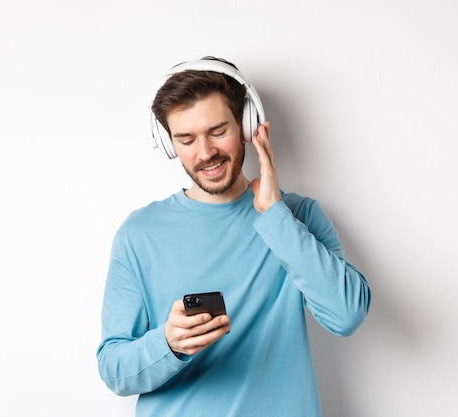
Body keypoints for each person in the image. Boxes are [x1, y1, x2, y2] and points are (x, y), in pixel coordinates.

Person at [96, 56, 371, 417]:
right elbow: (114, 369)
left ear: (246, 124)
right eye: (186, 139)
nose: (205, 152)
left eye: (217, 131)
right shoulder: (139, 234)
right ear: (169, 145)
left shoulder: (297, 216)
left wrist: (275, 216)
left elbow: (347, 314)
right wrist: (169, 343)